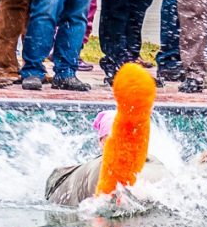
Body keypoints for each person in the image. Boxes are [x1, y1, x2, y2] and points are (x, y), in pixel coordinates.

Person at [44, 66, 167, 205]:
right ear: (101, 142)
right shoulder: (90, 169)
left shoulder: (150, 165)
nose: (121, 144)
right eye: (112, 139)